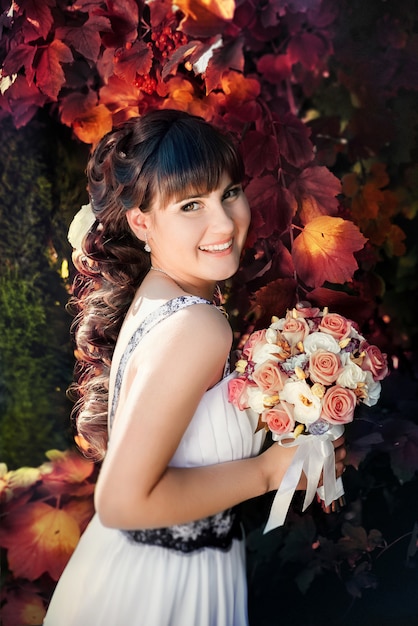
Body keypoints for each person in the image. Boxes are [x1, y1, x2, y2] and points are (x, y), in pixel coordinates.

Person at [44, 109, 345, 626]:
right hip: (161, 590)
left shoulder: (159, 295)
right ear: (141, 221)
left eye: (229, 192)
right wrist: (271, 471)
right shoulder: (199, 326)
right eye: (190, 205)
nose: (224, 223)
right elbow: (120, 502)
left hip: (134, 569)